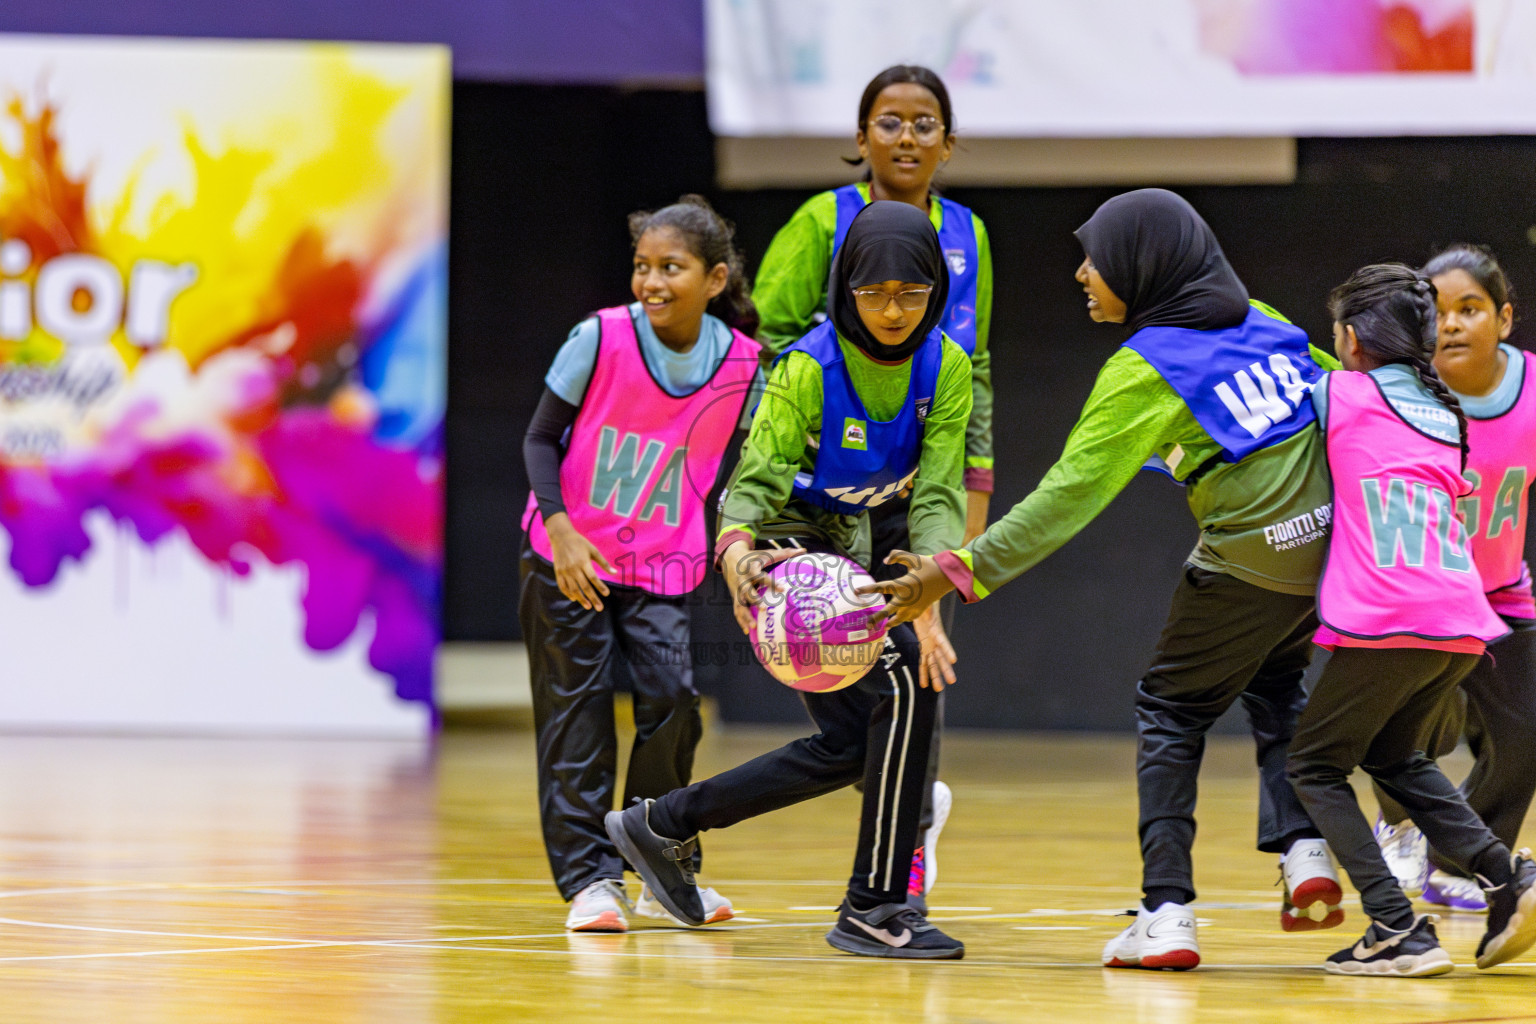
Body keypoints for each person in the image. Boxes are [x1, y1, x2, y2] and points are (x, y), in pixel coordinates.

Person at [863, 189, 1345, 969]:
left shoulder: (1147, 365)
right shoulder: (1269, 324)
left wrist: (949, 573)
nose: (1084, 272)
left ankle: (1167, 912)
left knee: (1169, 709)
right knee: (1275, 683)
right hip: (1324, 559)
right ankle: (1305, 852)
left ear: (1143, 266)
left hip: (1249, 560)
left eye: (1098, 257)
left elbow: (1066, 499)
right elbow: (1347, 405)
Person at [606, 201, 970, 959]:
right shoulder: (808, 366)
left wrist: (932, 588)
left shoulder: (948, 368)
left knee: (850, 743)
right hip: (780, 541)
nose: (894, 309)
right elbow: (753, 485)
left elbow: (938, 495)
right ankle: (875, 905)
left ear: (936, 289)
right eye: (875, 292)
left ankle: (663, 822)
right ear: (846, 289)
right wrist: (737, 557)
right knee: (904, 689)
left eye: (912, 291)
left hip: (858, 547)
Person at [752, 63, 992, 907]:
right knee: (872, 689)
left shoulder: (967, 231)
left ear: (949, 144)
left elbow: (980, 364)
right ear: (861, 140)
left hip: (925, 476)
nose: (906, 138)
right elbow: (768, 334)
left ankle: (905, 868)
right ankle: (888, 866)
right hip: (834, 483)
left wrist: (972, 502)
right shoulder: (825, 219)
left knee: (924, 672)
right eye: (889, 122)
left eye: (924, 124)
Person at [1284, 263, 1535, 976]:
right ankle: (1508, 879)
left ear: (1354, 340)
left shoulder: (1341, 392)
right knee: (1397, 756)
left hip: (1388, 616)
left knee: (1314, 766)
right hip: (1464, 617)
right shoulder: (1446, 411)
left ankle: (1397, 928)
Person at [520, 196, 762, 931]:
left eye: (671, 268)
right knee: (577, 718)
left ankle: (656, 848)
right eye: (641, 267)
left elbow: (749, 474)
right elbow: (539, 441)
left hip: (663, 560)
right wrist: (561, 529)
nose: (651, 282)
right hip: (571, 557)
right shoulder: (599, 337)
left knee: (674, 699)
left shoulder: (746, 365)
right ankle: (591, 880)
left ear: (714, 279)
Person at [1372, 245, 1536, 914]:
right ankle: (1400, 822)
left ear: (1504, 317)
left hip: (1500, 593)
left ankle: (1455, 862)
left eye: (1469, 309)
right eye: (1436, 312)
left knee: (1526, 733)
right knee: (1405, 736)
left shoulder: (1530, 392)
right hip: (1416, 602)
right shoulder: (1394, 394)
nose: (1452, 324)